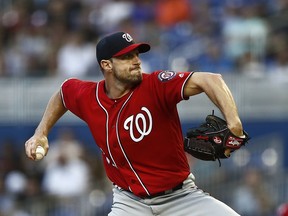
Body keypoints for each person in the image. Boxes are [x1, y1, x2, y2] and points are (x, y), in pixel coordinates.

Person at [25, 31, 245, 216]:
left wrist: (233, 120)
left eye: (136, 54)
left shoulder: (156, 85)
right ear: (106, 65)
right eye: (127, 57)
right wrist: (40, 132)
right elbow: (63, 93)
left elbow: (211, 79)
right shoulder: (88, 96)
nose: (136, 60)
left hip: (181, 198)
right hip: (129, 204)